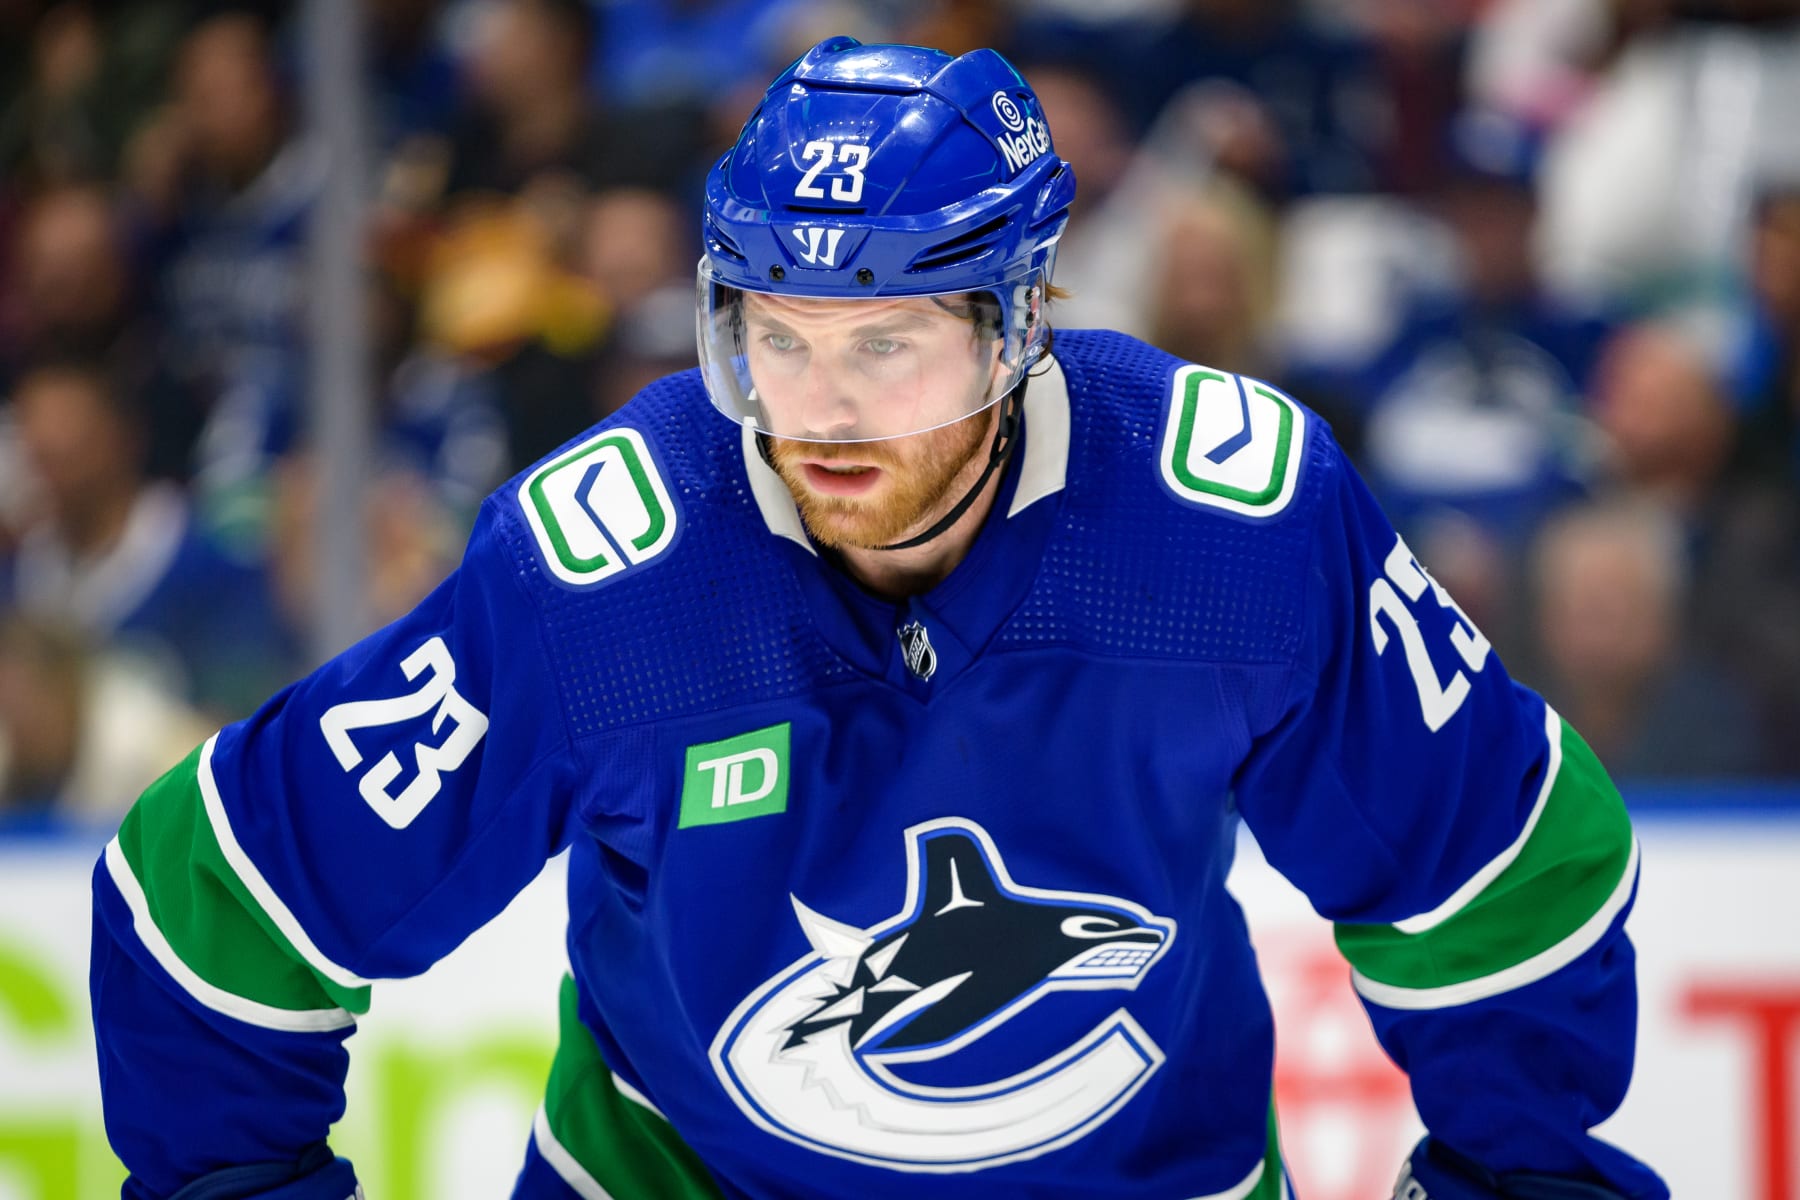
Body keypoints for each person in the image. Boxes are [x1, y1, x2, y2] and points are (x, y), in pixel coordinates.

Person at [89, 38, 1667, 1200]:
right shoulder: (606, 576)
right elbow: (214, 898)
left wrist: (1518, 1180)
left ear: (1020, 323)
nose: (822, 414)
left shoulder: (1231, 531)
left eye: (888, 344)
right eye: (779, 339)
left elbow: (1505, 864)